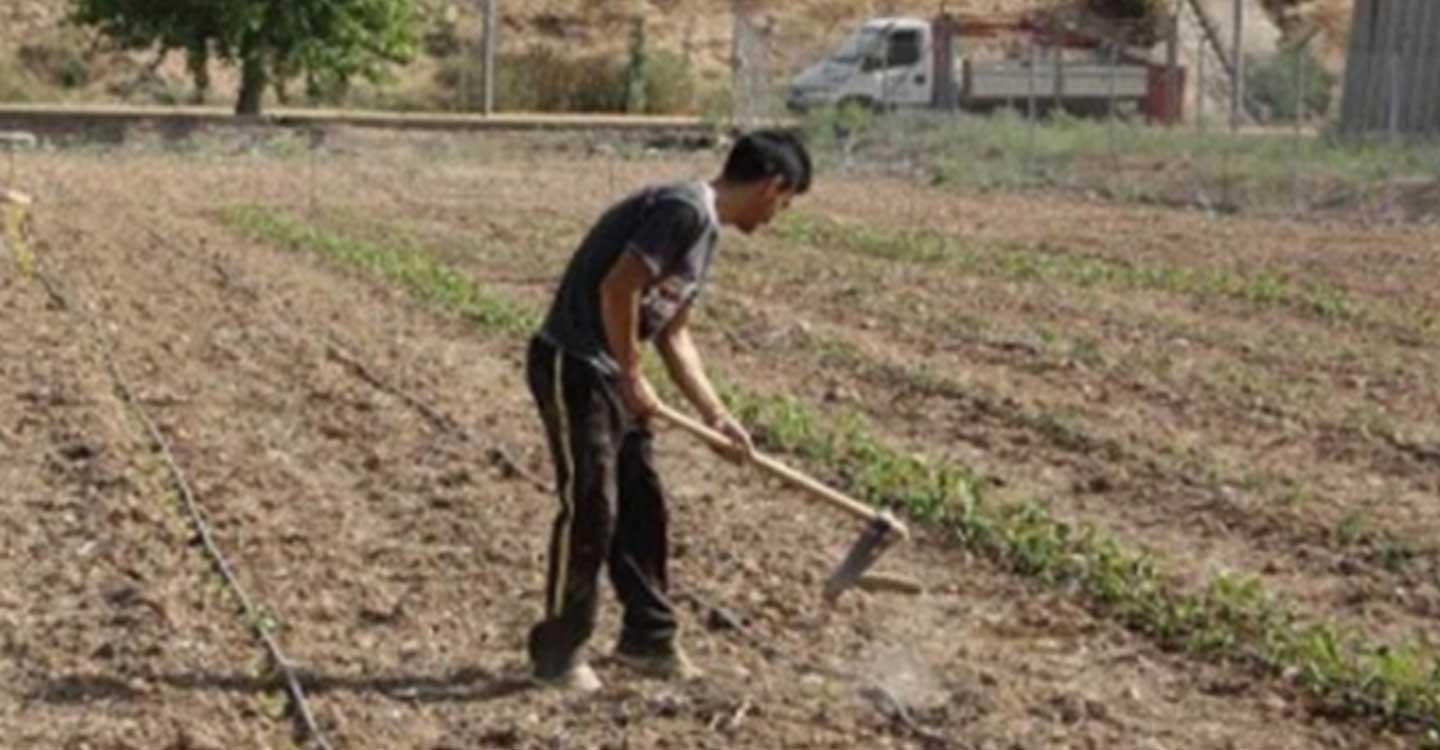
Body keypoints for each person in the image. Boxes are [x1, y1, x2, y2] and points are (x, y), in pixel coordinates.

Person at [524, 129, 813, 692]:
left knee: (642, 506)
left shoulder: (703, 232)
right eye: (786, 201)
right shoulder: (682, 210)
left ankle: (647, 639)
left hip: (612, 373)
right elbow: (618, 289)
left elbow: (674, 332)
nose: (780, 214)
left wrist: (716, 416)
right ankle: (558, 653)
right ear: (773, 185)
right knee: (590, 505)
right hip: (575, 363)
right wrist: (631, 377)